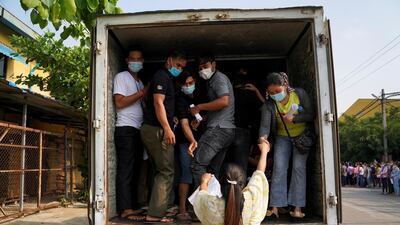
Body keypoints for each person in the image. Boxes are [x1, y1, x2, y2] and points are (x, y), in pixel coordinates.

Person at [259, 72, 315, 219]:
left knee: (298, 168)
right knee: (279, 168)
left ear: (285, 85)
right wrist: (262, 139)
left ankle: (297, 208)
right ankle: (275, 207)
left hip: (301, 136)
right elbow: (264, 126)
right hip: (282, 138)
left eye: (277, 91)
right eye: (271, 92)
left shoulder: (299, 94)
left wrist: (295, 118)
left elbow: (311, 114)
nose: (274, 95)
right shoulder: (269, 104)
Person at [140, 50, 187, 223]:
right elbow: (157, 102)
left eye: (182, 67)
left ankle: (156, 209)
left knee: (159, 170)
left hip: (153, 127)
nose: (179, 69)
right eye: (178, 65)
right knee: (167, 171)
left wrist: (170, 117)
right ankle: (155, 214)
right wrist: (167, 128)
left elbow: (159, 105)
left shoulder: (166, 78)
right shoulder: (162, 77)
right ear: (169, 61)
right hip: (157, 129)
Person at [192, 140, 271, 225]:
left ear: (220, 183)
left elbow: (202, 195)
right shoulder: (251, 198)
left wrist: (204, 181)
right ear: (242, 183)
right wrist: (264, 152)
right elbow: (259, 174)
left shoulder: (212, 205)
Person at [190, 52, 235, 187]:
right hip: (226, 130)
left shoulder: (218, 79)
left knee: (197, 165)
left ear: (214, 64)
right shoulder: (214, 80)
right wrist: (203, 119)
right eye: (200, 68)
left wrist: (200, 107)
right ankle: (215, 204)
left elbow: (224, 101)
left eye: (205, 66)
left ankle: (204, 204)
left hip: (218, 130)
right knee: (212, 171)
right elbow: (219, 107)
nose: (202, 70)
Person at [113, 46, 146, 221]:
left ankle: (132, 206)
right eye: (133, 59)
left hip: (137, 130)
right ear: (127, 61)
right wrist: (142, 93)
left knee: (135, 171)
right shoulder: (122, 77)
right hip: (125, 128)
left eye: (139, 59)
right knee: (125, 170)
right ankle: (125, 209)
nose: (136, 62)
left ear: (142, 61)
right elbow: (119, 102)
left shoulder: (139, 81)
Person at [175, 71, 205, 222]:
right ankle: (182, 209)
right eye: (185, 84)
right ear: (180, 85)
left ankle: (199, 209)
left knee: (201, 174)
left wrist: (200, 120)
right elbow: (184, 123)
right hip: (185, 142)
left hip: (203, 141)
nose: (188, 86)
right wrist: (192, 140)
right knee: (186, 174)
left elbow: (208, 113)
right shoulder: (180, 100)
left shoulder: (201, 95)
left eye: (190, 83)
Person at [227, 67, 265, 174]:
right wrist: (256, 91)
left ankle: (226, 189)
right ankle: (239, 189)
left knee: (226, 165)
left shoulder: (227, 95)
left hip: (226, 131)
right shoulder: (250, 94)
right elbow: (266, 108)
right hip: (243, 131)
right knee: (240, 167)